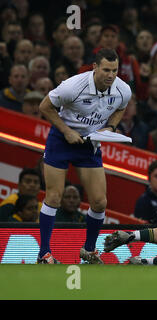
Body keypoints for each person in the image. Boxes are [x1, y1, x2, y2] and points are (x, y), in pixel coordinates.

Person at [37, 48, 132, 264]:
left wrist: (111, 127)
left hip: (90, 143)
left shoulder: (123, 90)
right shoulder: (73, 86)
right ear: (95, 67)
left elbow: (121, 108)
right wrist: (67, 131)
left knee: (99, 202)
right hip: (62, 139)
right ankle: (44, 253)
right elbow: (45, 106)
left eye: (115, 70)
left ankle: (88, 251)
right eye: (106, 70)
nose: (111, 75)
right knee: (53, 197)